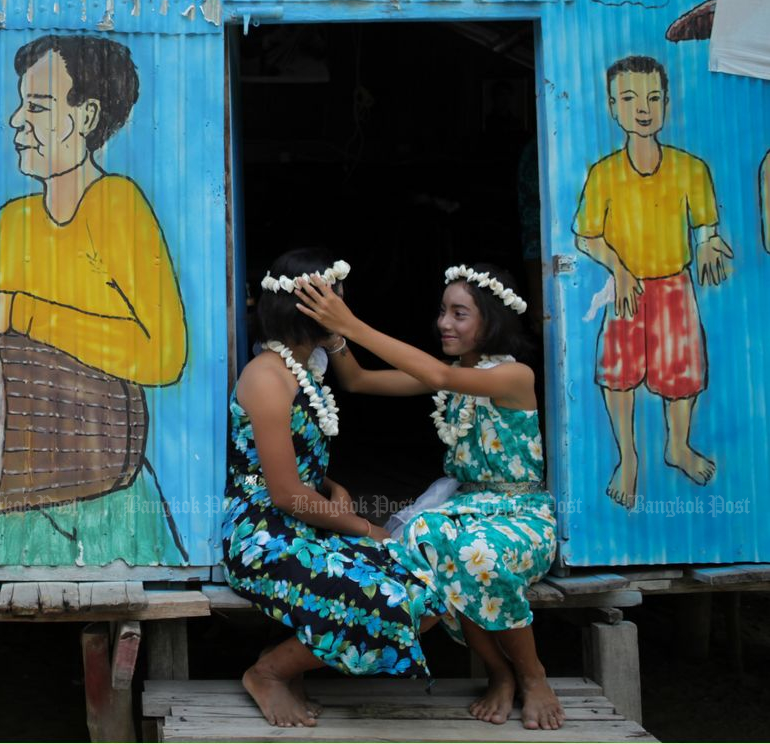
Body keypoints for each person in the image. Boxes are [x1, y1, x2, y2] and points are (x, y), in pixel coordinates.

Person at [0, 34, 188, 565]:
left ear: (85, 117)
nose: (17, 121)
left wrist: (21, 311)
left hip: (104, 486)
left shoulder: (119, 207)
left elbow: (164, 356)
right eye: (21, 104)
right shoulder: (10, 224)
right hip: (11, 490)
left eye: (37, 106)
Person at [297, 263, 564, 730]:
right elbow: (359, 381)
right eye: (442, 311)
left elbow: (438, 375)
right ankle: (500, 673)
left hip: (521, 514)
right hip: (468, 506)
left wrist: (352, 324)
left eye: (459, 314)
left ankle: (533, 674)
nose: (444, 323)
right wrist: (337, 339)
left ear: (492, 319)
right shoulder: (452, 375)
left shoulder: (513, 376)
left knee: (474, 552)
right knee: (424, 537)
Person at [225, 249, 446, 729]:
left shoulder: (314, 364)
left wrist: (450, 382)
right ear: (308, 309)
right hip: (264, 532)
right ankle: (267, 673)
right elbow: (283, 494)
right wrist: (364, 527)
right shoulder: (267, 376)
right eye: (335, 304)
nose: (343, 313)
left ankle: (287, 660)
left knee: (429, 594)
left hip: (311, 518)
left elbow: (358, 381)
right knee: (383, 598)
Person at [573, 55, 732, 509]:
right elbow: (586, 237)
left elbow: (705, 226)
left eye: (653, 97)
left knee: (683, 372)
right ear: (611, 106)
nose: (642, 108)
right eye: (629, 97)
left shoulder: (690, 169)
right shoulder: (603, 173)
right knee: (617, 373)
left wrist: (707, 244)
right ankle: (627, 458)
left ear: (666, 103)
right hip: (627, 288)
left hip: (674, 285)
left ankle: (677, 446)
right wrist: (620, 270)